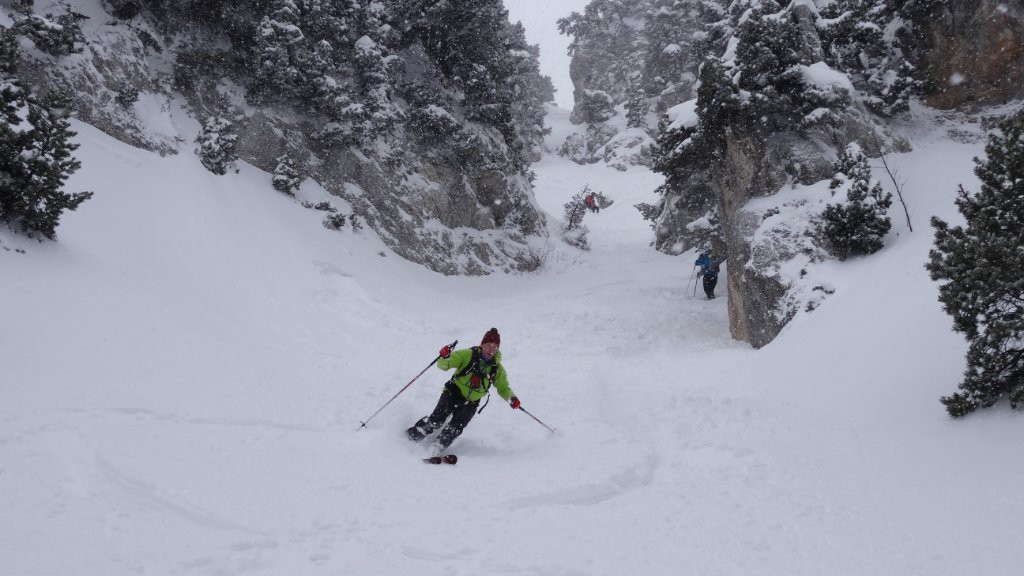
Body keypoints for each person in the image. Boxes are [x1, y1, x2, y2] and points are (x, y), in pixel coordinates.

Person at [405, 328, 520, 450]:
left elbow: (503, 387)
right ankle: (414, 435)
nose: (491, 350)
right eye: (489, 345)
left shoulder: (497, 369)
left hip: (471, 403)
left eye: (495, 347)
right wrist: (444, 356)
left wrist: (511, 398)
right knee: (436, 420)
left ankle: (437, 447)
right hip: (453, 393)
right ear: (482, 344)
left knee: (456, 427)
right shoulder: (467, 355)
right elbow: (443, 365)